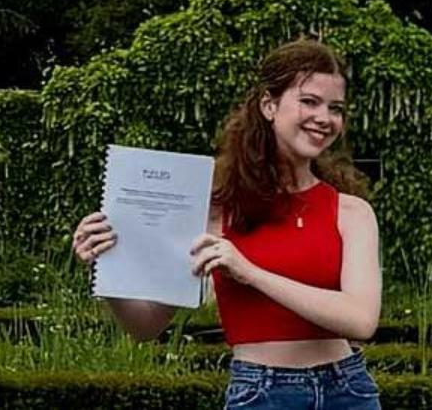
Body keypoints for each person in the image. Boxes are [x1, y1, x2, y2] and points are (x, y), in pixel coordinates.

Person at [73, 39, 382, 410]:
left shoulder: (352, 212)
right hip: (261, 394)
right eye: (309, 101)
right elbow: (145, 327)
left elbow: (361, 320)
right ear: (269, 105)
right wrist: (107, 267)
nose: (325, 118)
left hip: (346, 391)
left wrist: (250, 272)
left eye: (335, 108)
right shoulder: (213, 212)